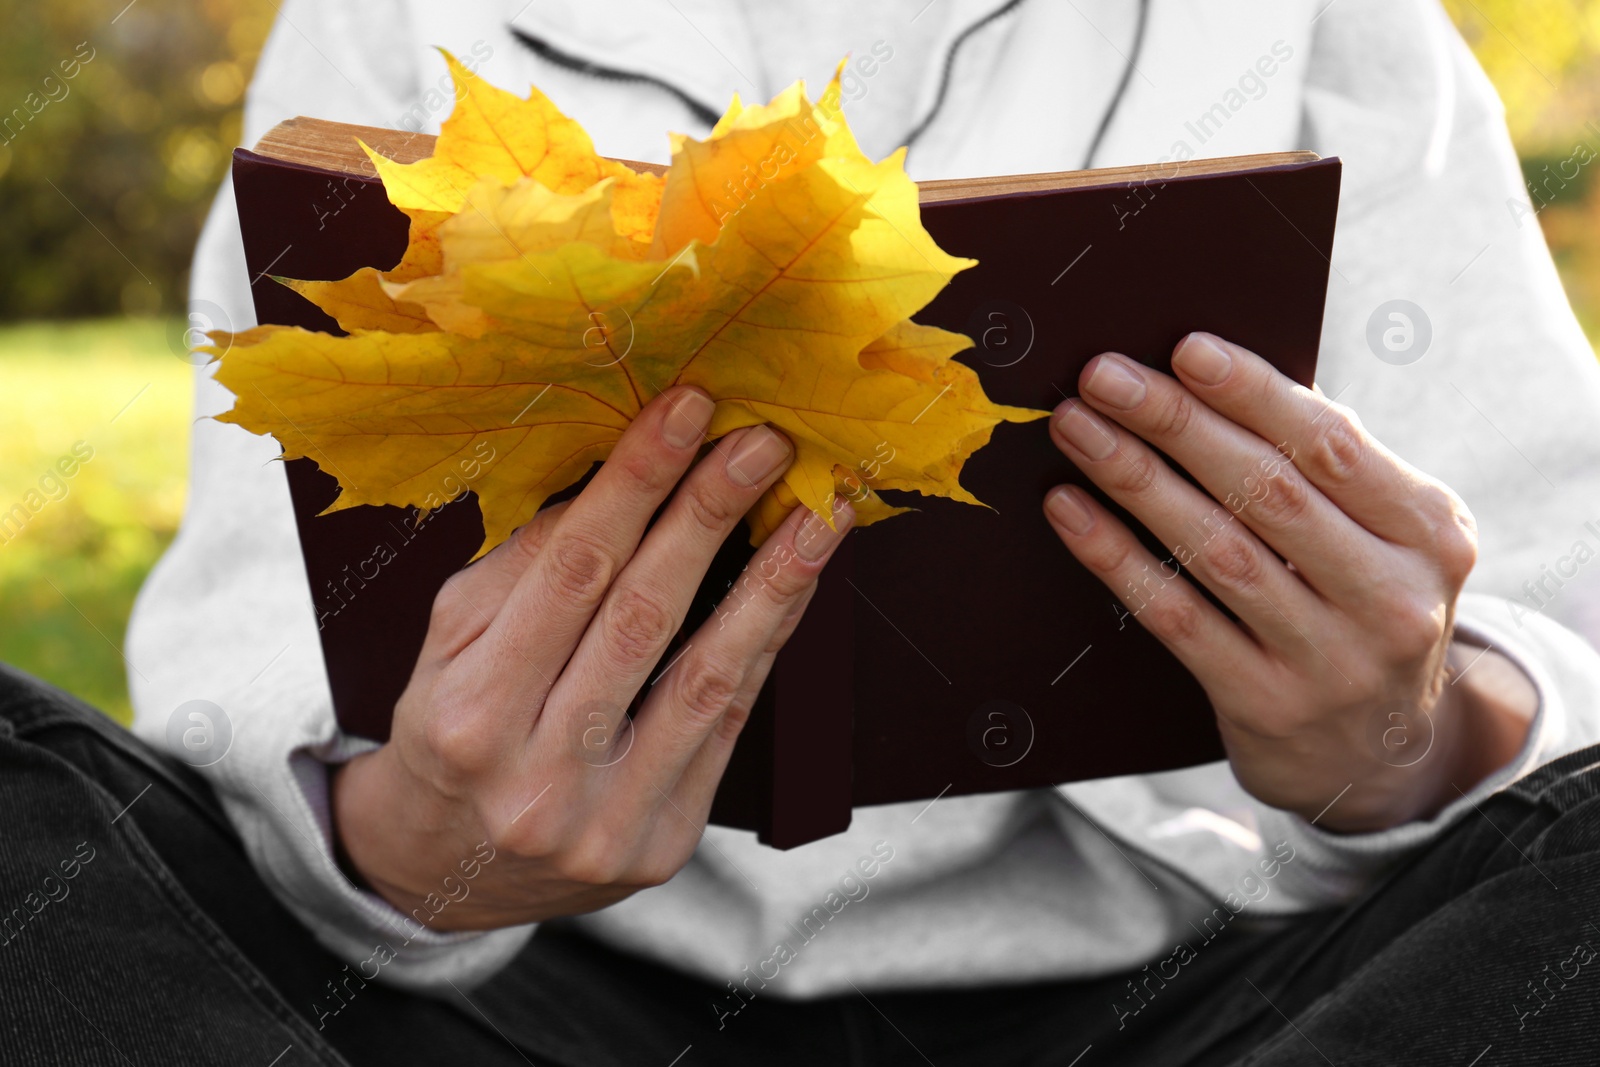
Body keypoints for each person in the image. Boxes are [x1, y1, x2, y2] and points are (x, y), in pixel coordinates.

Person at [3, 0, 1598, 1064]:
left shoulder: (1332, 20)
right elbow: (252, 654)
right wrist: (418, 846)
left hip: (1211, 1000)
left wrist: (1408, 738)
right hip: (521, 1008)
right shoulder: (383, 18)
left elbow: (1552, 618)